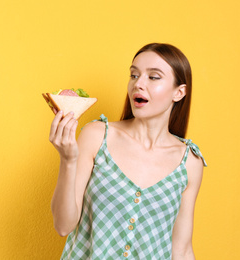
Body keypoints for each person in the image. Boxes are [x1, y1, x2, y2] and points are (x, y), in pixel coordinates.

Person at [49, 43, 207, 260]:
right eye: (134, 75)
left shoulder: (190, 162)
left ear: (179, 92)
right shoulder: (97, 136)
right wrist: (68, 160)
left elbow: (181, 250)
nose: (138, 84)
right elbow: (63, 226)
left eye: (153, 77)